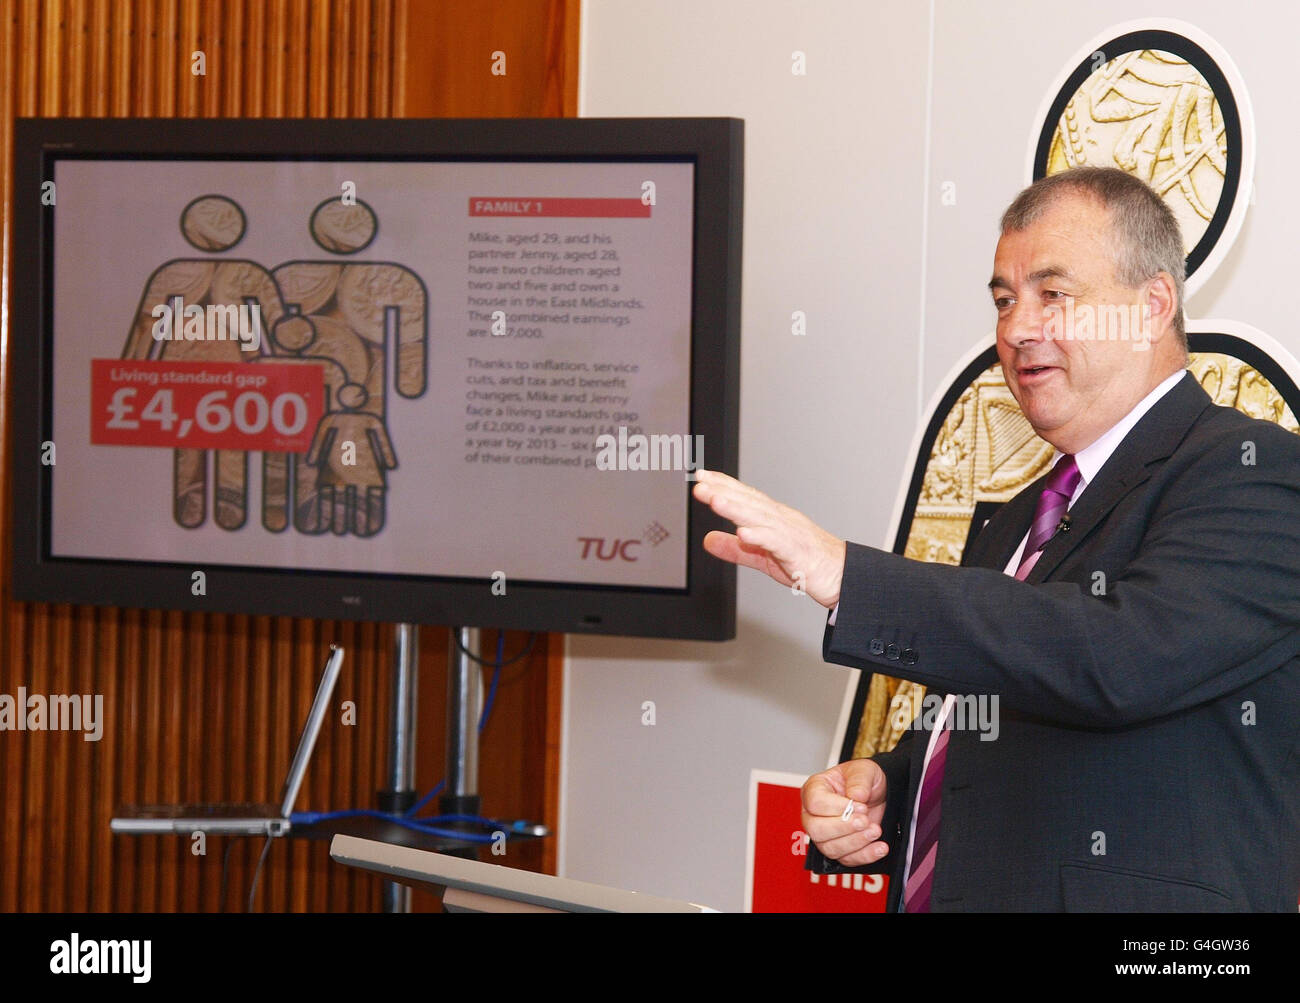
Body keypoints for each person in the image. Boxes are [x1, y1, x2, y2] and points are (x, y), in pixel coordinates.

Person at [692, 166, 1300, 911]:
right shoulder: (1021, 517)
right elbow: (1005, 719)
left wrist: (848, 574)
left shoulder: (1256, 473)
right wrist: (893, 786)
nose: (1015, 329)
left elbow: (1115, 661)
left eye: (1053, 294)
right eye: (1006, 300)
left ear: (1151, 306)